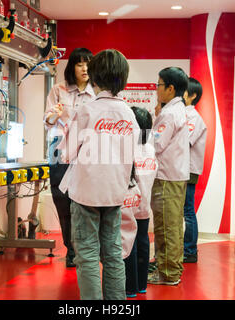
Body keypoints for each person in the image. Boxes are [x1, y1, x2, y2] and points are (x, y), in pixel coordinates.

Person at [57, 49, 139, 300]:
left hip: (86, 194)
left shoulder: (87, 111)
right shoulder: (129, 114)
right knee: (114, 253)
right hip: (115, 193)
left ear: (94, 76)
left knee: (88, 255)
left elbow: (66, 154)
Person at [44, 48, 95, 268]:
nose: (85, 68)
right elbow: (47, 120)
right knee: (62, 201)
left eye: (88, 64)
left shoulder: (97, 93)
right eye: (80, 64)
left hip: (87, 150)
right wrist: (55, 114)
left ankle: (85, 248)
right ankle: (71, 249)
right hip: (59, 150)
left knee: (85, 200)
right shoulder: (59, 89)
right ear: (72, 67)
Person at [148, 67, 189, 286]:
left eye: (159, 85)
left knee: (166, 226)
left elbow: (156, 144)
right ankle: (169, 267)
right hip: (176, 176)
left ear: (170, 88)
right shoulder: (179, 110)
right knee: (171, 224)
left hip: (166, 177)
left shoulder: (169, 113)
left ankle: (168, 273)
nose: (156, 89)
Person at [123, 106, 157, 297]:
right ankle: (142, 284)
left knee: (129, 244)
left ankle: (130, 287)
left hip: (129, 204)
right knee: (143, 240)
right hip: (145, 203)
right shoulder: (151, 150)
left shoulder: (128, 150)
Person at [183, 77, 207, 263]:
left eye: (183, 90)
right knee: (185, 210)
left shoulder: (194, 118)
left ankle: (190, 250)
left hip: (188, 169)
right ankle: (187, 249)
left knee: (188, 211)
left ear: (192, 95)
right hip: (181, 168)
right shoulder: (183, 114)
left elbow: (184, 142)